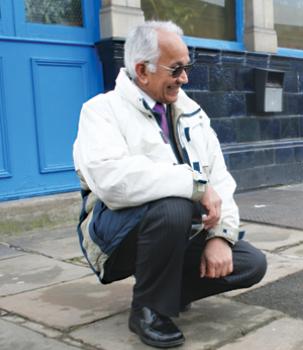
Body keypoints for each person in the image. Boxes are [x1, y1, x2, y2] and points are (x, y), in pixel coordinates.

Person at [73, 21, 267, 349]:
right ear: (142, 70)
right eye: (176, 69)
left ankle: (161, 291)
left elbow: (220, 179)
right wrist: (192, 185)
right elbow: (112, 181)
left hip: (180, 230)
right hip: (116, 235)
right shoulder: (100, 111)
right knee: (174, 204)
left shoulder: (193, 113)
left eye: (186, 67)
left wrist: (221, 237)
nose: (185, 78)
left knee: (250, 263)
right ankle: (148, 309)